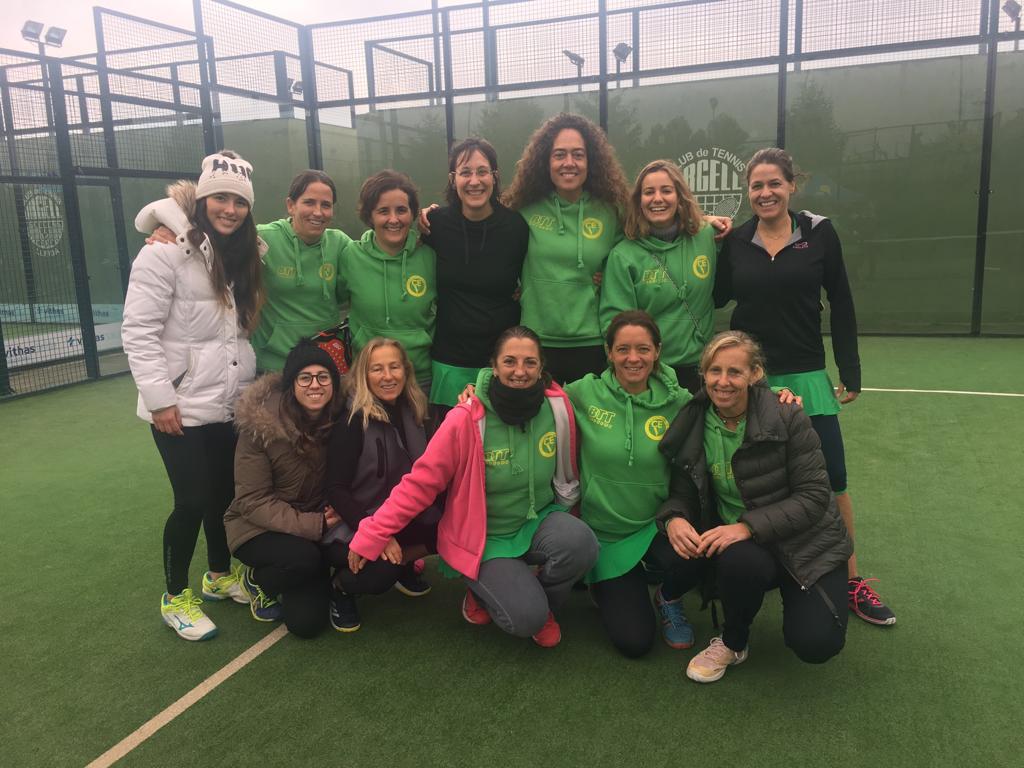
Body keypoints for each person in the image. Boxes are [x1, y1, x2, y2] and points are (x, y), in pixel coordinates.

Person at [714, 147, 895, 626]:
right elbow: (711, 294)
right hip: (750, 378)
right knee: (745, 476)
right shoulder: (735, 241)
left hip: (808, 375)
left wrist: (849, 370)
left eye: (774, 183)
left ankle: (852, 580)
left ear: (792, 185)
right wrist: (703, 238)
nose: (766, 192)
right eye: (757, 186)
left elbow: (842, 299)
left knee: (832, 479)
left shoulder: (819, 233)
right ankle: (729, 573)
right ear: (748, 193)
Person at [347, 326, 599, 647]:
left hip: (536, 521)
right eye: (509, 361)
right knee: (526, 619)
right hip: (484, 538)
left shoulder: (557, 405)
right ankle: (484, 590)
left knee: (583, 544)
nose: (519, 371)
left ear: (541, 367)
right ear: (493, 366)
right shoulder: (466, 418)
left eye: (529, 363)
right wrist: (373, 533)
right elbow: (420, 483)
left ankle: (538, 601)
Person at [122, 150, 264, 641]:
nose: (230, 209)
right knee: (191, 500)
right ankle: (175, 595)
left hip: (229, 402)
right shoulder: (161, 252)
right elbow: (138, 331)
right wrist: (161, 399)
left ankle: (219, 576)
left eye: (239, 201)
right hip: (178, 408)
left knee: (224, 498)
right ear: (202, 200)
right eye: (220, 198)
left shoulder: (247, 255)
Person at [658, 331, 852, 683]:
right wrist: (673, 518)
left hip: (806, 543)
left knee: (816, 644)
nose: (723, 381)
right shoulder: (695, 419)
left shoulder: (788, 414)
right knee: (738, 559)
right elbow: (683, 491)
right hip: (748, 549)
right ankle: (733, 642)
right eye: (714, 371)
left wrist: (746, 526)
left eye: (735, 372)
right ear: (704, 375)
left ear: (756, 374)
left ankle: (806, 598)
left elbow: (814, 496)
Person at [563, 311, 700, 657]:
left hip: (656, 525)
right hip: (605, 535)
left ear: (657, 351)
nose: (633, 358)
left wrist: (777, 394)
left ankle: (667, 595)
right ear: (608, 352)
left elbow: (729, 400)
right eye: (623, 349)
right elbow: (531, 389)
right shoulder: (583, 393)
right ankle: (607, 580)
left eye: (643, 349)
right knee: (635, 642)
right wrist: (483, 384)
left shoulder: (680, 401)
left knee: (707, 553)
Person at [136, 169, 352, 372]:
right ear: (290, 205)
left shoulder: (340, 244)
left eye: (326, 205)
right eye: (309, 202)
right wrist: (178, 232)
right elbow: (215, 241)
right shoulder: (262, 239)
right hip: (272, 364)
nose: (318, 212)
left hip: (326, 365)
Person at [224, 340, 343, 639]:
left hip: (312, 528)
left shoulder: (340, 418)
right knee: (305, 559)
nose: (315, 385)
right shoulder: (260, 426)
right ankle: (257, 580)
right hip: (257, 527)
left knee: (306, 624)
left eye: (323, 377)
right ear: (292, 384)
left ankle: (309, 572)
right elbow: (251, 500)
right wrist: (311, 525)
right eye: (305, 377)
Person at [502, 113, 631, 383]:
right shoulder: (523, 208)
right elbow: (483, 226)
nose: (568, 163)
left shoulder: (612, 210)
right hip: (535, 344)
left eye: (578, 155)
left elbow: (644, 240)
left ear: (590, 161)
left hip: (593, 343)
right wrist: (429, 216)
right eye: (559, 154)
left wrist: (703, 222)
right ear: (545, 161)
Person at [323, 337, 440, 632]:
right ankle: (340, 587)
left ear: (406, 371)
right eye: (377, 369)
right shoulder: (352, 421)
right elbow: (335, 488)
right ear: (364, 375)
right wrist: (374, 531)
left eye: (394, 367)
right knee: (380, 571)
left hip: (396, 515)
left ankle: (401, 564)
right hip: (354, 521)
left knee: (450, 522)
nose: (387, 376)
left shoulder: (416, 410)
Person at [420, 138, 529, 409]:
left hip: (501, 363)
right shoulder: (435, 224)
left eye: (482, 171)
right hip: (449, 360)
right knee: (454, 446)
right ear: (452, 179)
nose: (474, 181)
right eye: (465, 172)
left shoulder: (516, 227)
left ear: (494, 177)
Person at [600, 160, 719, 394]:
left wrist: (713, 220)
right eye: (649, 192)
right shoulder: (623, 255)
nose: (657, 199)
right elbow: (613, 322)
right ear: (639, 201)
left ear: (680, 196)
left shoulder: (706, 236)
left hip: (701, 370)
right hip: (652, 374)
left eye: (666, 190)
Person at [339, 170, 437, 391]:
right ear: (369, 216)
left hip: (420, 378)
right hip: (367, 380)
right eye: (383, 211)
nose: (394, 219)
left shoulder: (431, 255)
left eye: (401, 210)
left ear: (413, 214)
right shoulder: (350, 256)